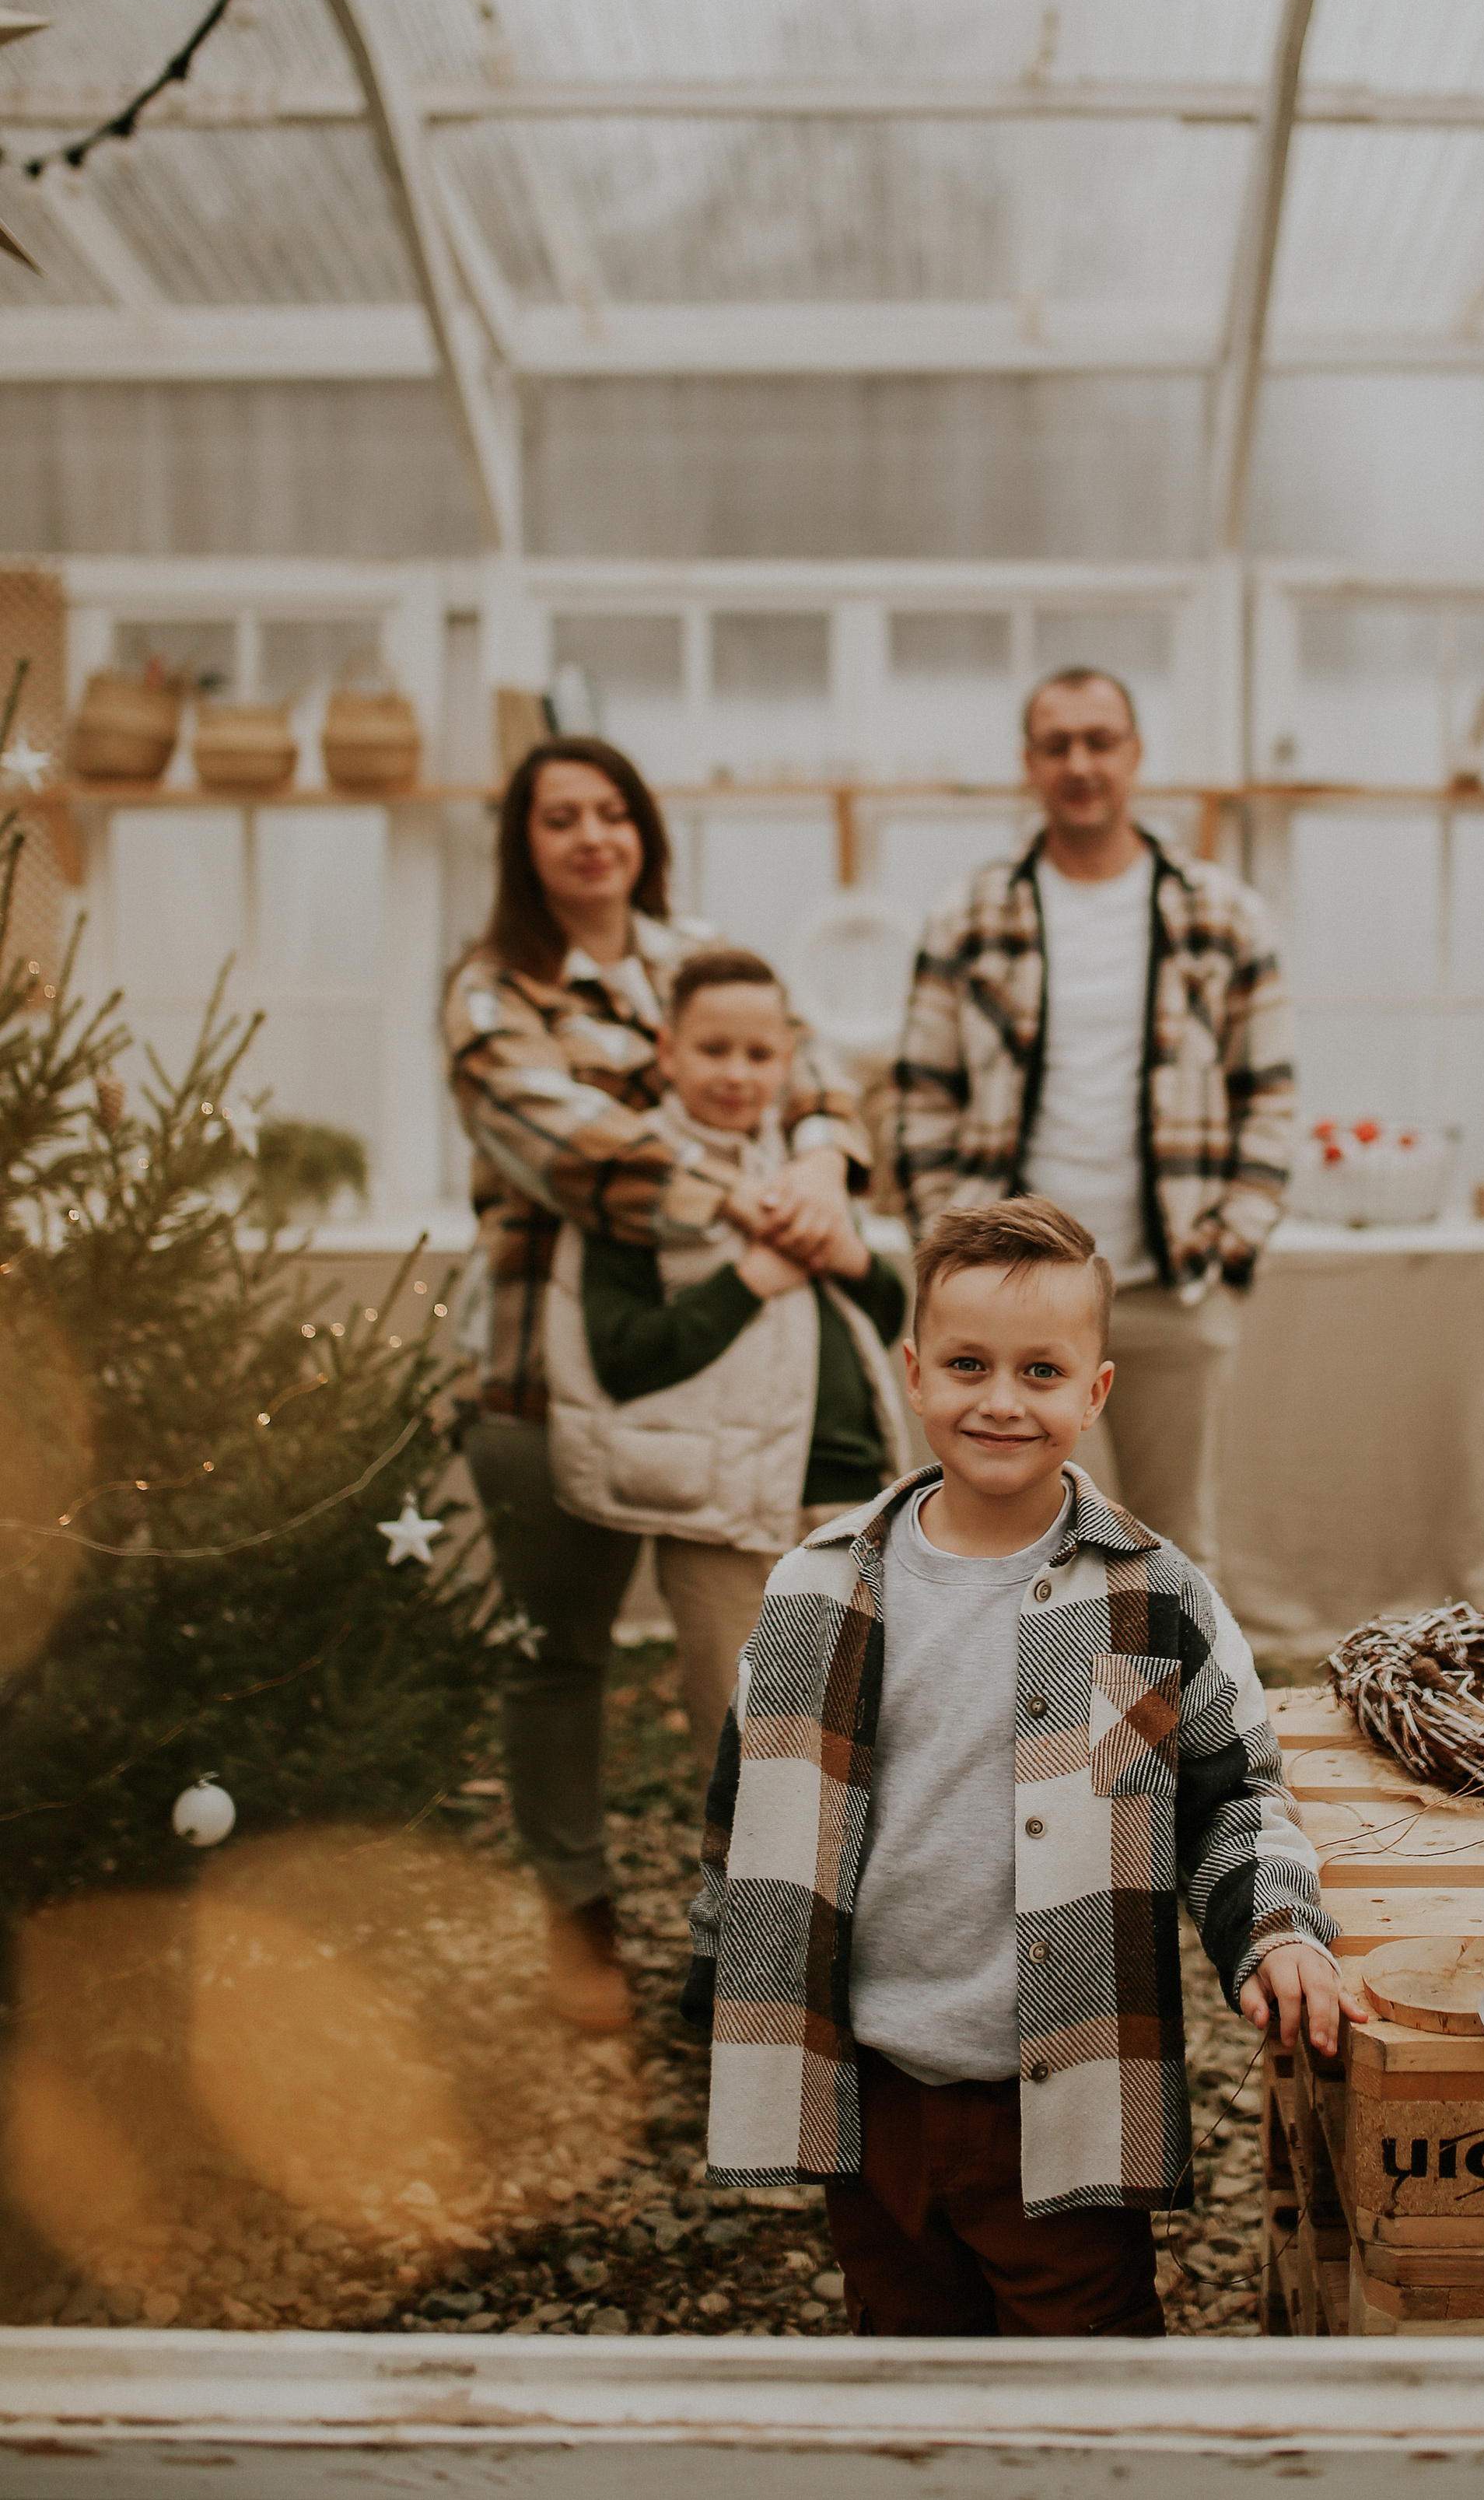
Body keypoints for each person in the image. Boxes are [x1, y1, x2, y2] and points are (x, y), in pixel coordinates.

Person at [682, 1196, 1354, 2338]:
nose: (1000, 1399)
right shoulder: (815, 1587)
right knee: (906, 2347)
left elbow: (1233, 1791)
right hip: (876, 2081)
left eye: (1041, 1370)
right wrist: (719, 1990)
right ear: (913, 1372)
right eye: (967, 1364)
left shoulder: (1150, 1598)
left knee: (1084, 2360)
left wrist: (1277, 1928)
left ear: (1094, 1391)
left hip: (1059, 2079)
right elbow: (745, 1810)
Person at [445, 737, 869, 2032]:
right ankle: (577, 1922)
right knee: (558, 1653)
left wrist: (830, 1159)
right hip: (540, 1359)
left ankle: (749, 1938)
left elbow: (818, 1074)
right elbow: (571, 1142)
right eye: (559, 815)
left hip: (729, 1383)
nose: (589, 835)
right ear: (523, 839)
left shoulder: (700, 952)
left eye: (610, 811)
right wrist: (766, 1199)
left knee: (739, 1678)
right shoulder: (490, 989)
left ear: (643, 829)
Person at [891, 665, 1294, 1578]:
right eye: (1056, 743)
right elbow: (921, 1095)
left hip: (1170, 1281)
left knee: (1169, 1540)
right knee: (993, 1531)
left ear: (1135, 755)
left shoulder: (1223, 914)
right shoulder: (968, 915)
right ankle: (1015, 1713)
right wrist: (944, 1250)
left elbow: (1266, 1091)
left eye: (1099, 741)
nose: (1080, 763)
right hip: (1003, 1299)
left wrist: (1233, 1245)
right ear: (1029, 762)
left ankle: (1169, 1721)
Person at [541, 947, 909, 1744]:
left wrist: (848, 1257)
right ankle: (749, 1875)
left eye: (758, 1053)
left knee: (854, 1741)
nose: (736, 1073)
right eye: (713, 1050)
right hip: (724, 1519)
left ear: (787, 1062)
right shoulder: (632, 1181)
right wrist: (748, 1279)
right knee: (745, 1749)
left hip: (849, 1495)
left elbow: (884, 1315)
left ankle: (849, 1876)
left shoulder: (804, 1169)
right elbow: (622, 1356)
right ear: (668, 1053)